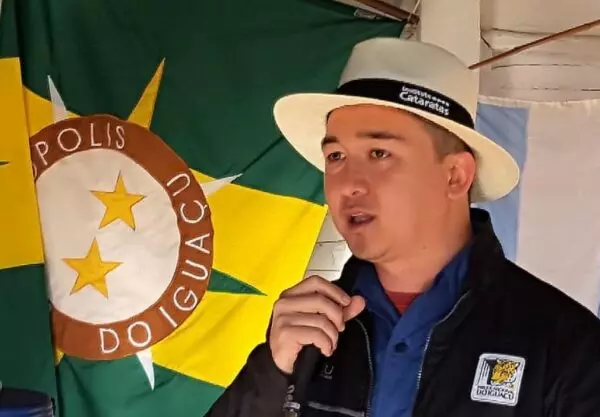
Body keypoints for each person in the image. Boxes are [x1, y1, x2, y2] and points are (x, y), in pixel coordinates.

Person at [206, 38, 600, 417]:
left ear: (455, 176)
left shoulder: (563, 343)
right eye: (336, 156)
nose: (348, 183)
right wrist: (272, 373)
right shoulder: (304, 333)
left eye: (379, 153)